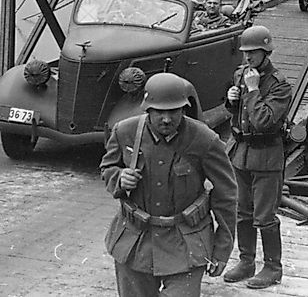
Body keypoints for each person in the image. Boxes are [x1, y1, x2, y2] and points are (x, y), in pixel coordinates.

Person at [100, 73, 238, 297]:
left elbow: (226, 195)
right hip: (136, 242)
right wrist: (119, 178)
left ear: (184, 109)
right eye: (159, 112)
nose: (166, 119)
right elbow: (107, 169)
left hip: (186, 242)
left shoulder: (205, 139)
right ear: (148, 110)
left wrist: (222, 250)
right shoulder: (124, 131)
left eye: (173, 111)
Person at [222, 25, 292, 289]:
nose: (248, 58)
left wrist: (252, 91)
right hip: (241, 152)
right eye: (245, 53)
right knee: (243, 211)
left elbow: (263, 121)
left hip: (266, 155)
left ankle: (273, 267)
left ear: (266, 52)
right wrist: (231, 100)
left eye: (253, 53)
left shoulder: (279, 85)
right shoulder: (242, 74)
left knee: (264, 215)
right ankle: (246, 261)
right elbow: (238, 115)